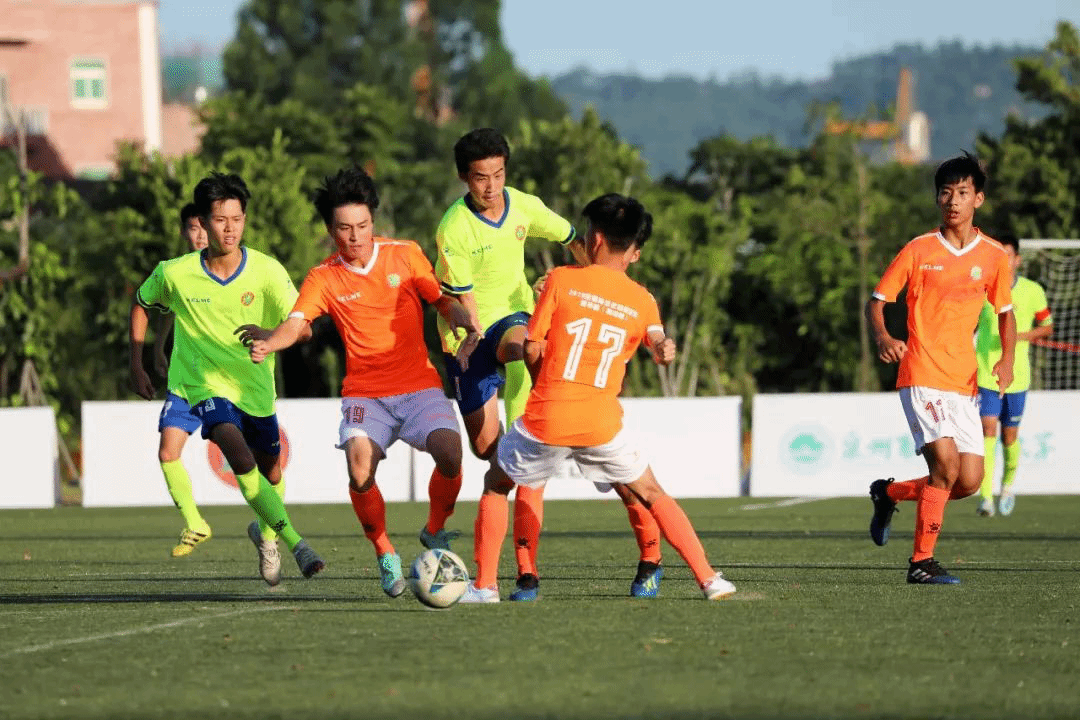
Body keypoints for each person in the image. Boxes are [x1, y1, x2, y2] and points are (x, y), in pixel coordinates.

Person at [460, 193, 736, 603]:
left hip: (548, 419)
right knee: (651, 492)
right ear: (634, 251)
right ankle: (710, 579)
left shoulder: (561, 279)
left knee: (497, 484)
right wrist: (664, 349)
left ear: (596, 238)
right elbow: (658, 340)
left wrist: (545, 382)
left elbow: (532, 347)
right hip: (601, 423)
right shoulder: (642, 299)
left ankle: (485, 586)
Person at [436, 128, 665, 601]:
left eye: (499, 174)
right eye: (481, 177)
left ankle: (536, 572)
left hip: (520, 327)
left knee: (531, 444)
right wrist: (472, 335)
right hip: (469, 337)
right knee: (491, 453)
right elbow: (465, 302)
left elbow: (574, 240)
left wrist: (584, 285)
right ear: (463, 177)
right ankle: (509, 568)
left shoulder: (524, 206)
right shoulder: (453, 228)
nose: (492, 186)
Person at [248, 166, 482, 597]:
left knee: (451, 453)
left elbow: (441, 301)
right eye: (344, 228)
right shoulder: (323, 277)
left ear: (373, 220)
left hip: (418, 386)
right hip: (366, 394)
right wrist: (270, 344)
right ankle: (384, 551)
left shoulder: (405, 254)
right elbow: (296, 323)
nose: (355, 236)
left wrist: (463, 318)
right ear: (330, 230)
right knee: (359, 469)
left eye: (363, 225)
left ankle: (434, 528)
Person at [130, 172, 324, 586]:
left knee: (271, 474)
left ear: (245, 219)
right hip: (205, 387)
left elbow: (304, 328)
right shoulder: (175, 272)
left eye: (237, 219)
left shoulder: (267, 271)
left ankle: (267, 535)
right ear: (203, 222)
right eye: (220, 220)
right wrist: (138, 363)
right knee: (237, 454)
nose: (229, 228)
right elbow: (142, 303)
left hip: (255, 391)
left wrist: (270, 336)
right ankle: (297, 544)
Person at [865, 152, 1016, 585]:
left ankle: (888, 493)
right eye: (946, 193)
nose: (953, 201)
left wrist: (1006, 359)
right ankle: (921, 562)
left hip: (964, 382)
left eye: (962, 192)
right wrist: (884, 336)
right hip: (921, 374)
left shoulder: (993, 255)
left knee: (967, 482)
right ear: (937, 198)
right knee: (945, 469)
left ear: (978, 199)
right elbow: (877, 302)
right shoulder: (919, 249)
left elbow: (1005, 313)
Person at [130, 203, 213, 557]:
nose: (201, 235)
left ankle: (273, 532)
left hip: (230, 381)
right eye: (193, 228)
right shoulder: (175, 272)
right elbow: (154, 308)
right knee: (168, 451)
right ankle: (195, 523)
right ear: (183, 232)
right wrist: (153, 353)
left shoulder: (236, 268)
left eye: (205, 226)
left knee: (255, 463)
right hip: (187, 381)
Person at [974, 234, 1053, 517]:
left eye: (1007, 255)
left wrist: (1020, 336)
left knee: (1009, 436)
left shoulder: (1033, 291)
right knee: (988, 429)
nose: (1003, 260)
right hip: (986, 374)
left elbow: (1047, 326)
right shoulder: (982, 289)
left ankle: (1007, 486)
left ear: (1017, 259)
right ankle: (985, 497)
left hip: (1017, 377)